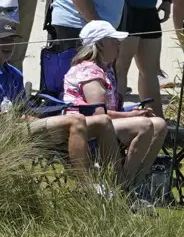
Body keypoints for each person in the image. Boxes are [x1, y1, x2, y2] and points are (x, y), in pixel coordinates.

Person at [0, 18, 103, 178]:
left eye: (11, 39)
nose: (8, 44)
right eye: (2, 39)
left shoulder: (14, 73)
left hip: (19, 126)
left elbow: (24, 109)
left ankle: (110, 179)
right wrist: (11, 117)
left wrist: (40, 117)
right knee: (76, 121)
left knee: (97, 122)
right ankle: (85, 184)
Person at [61, 20, 168, 191]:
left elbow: (108, 110)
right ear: (101, 44)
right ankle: (124, 185)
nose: (119, 44)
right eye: (114, 40)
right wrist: (131, 116)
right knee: (145, 125)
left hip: (105, 120)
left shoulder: (105, 69)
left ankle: (136, 182)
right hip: (85, 124)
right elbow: (98, 114)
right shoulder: (88, 71)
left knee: (160, 125)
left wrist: (132, 112)